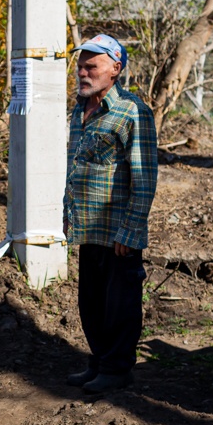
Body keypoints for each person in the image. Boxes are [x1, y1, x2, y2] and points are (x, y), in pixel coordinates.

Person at [63, 34, 159, 393]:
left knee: (119, 305)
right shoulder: (80, 108)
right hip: (89, 228)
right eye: (80, 66)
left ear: (115, 69)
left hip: (118, 231)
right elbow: (75, 166)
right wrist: (67, 211)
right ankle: (100, 362)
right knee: (91, 303)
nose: (83, 72)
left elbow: (145, 177)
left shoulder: (132, 111)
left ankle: (117, 370)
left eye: (92, 66)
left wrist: (132, 229)